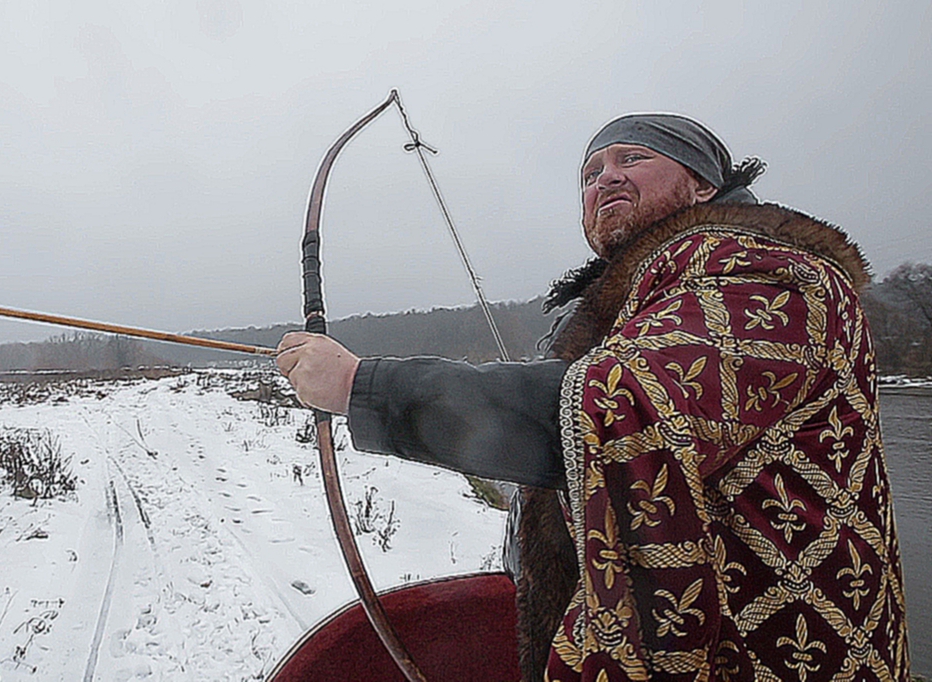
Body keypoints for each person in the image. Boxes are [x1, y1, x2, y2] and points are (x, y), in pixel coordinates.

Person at [276, 113, 910, 682]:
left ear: (704, 186)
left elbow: (619, 407)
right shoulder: (641, 302)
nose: (605, 178)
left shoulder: (768, 271)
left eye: (632, 159)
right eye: (590, 172)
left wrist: (364, 386)